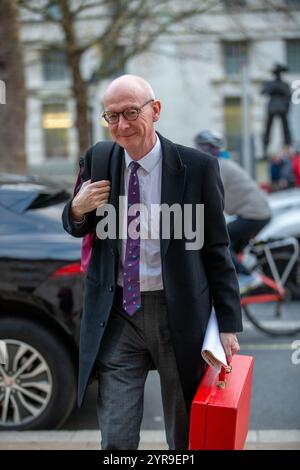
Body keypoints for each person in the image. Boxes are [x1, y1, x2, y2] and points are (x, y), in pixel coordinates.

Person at [62, 75, 242, 450]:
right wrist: (77, 209)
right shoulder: (98, 158)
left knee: (185, 434)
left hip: (177, 310)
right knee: (116, 437)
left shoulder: (197, 168)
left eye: (131, 112)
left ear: (155, 110)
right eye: (112, 116)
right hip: (118, 313)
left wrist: (228, 322)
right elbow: (78, 224)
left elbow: (217, 249)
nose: (122, 126)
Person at [194, 130, 271, 291]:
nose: (198, 150)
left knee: (219, 241)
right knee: (227, 253)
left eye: (201, 147)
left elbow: (211, 199)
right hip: (256, 213)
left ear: (208, 148)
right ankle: (233, 284)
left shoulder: (218, 167)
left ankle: (247, 277)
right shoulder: (222, 163)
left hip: (254, 215)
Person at [261, 63, 292, 154]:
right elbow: (263, 91)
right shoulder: (272, 84)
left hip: (280, 108)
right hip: (274, 108)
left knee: (285, 128)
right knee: (268, 128)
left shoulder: (284, 84)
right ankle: (265, 148)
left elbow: (288, 96)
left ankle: (287, 146)